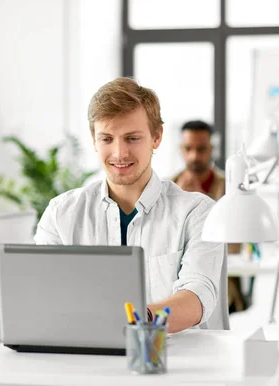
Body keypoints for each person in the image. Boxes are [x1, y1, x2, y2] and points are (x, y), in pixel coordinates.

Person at [34, 77, 225, 333]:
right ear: (93, 140)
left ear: (156, 137)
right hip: (82, 360)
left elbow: (198, 295)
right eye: (107, 139)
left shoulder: (197, 212)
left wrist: (134, 321)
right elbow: (44, 296)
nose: (119, 153)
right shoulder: (61, 214)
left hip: (172, 362)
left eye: (132, 138)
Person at [171, 120, 246, 313]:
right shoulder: (169, 187)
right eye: (188, 148)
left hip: (221, 281)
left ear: (212, 149)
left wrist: (201, 201)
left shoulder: (230, 188)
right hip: (174, 279)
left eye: (201, 149)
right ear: (181, 149)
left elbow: (235, 244)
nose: (194, 156)